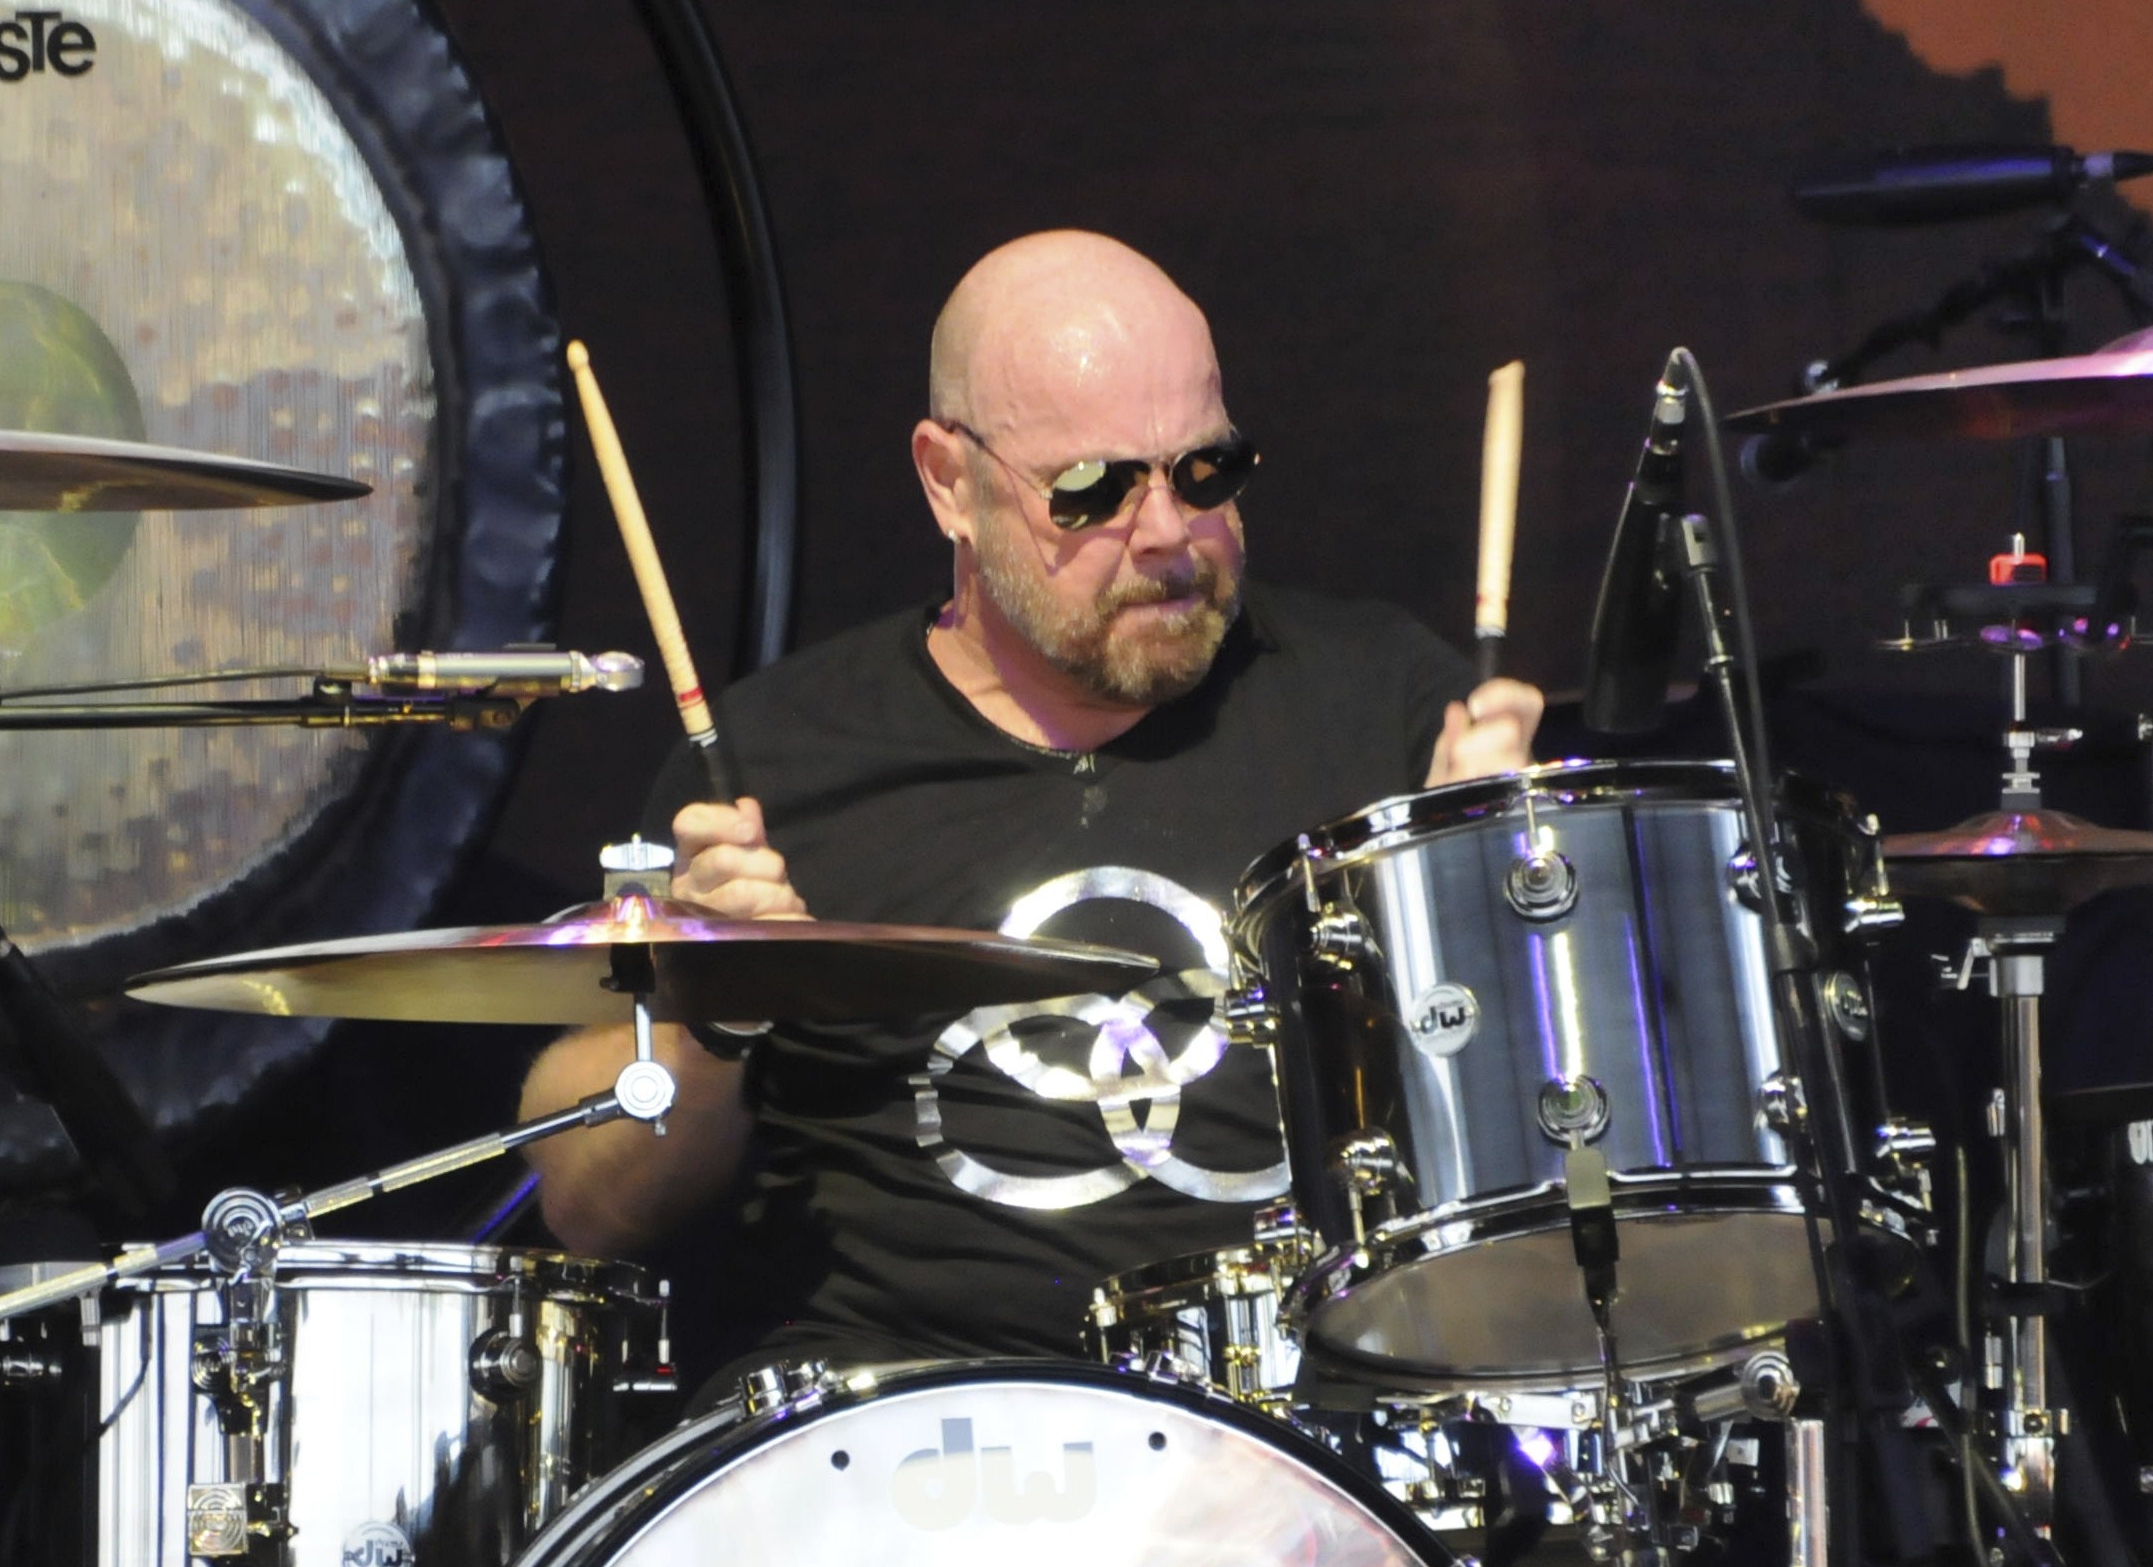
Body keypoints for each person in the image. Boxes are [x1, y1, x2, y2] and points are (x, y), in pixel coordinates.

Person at [519, 230, 1541, 1368]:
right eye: (1092, 489)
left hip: (1314, 1440)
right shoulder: (777, 761)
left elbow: (1558, 1155)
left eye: (1206, 472)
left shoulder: (1382, 704)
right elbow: (588, 1208)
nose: (1165, 534)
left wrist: (1495, 906)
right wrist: (713, 1014)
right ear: (947, 482)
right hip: (904, 1450)